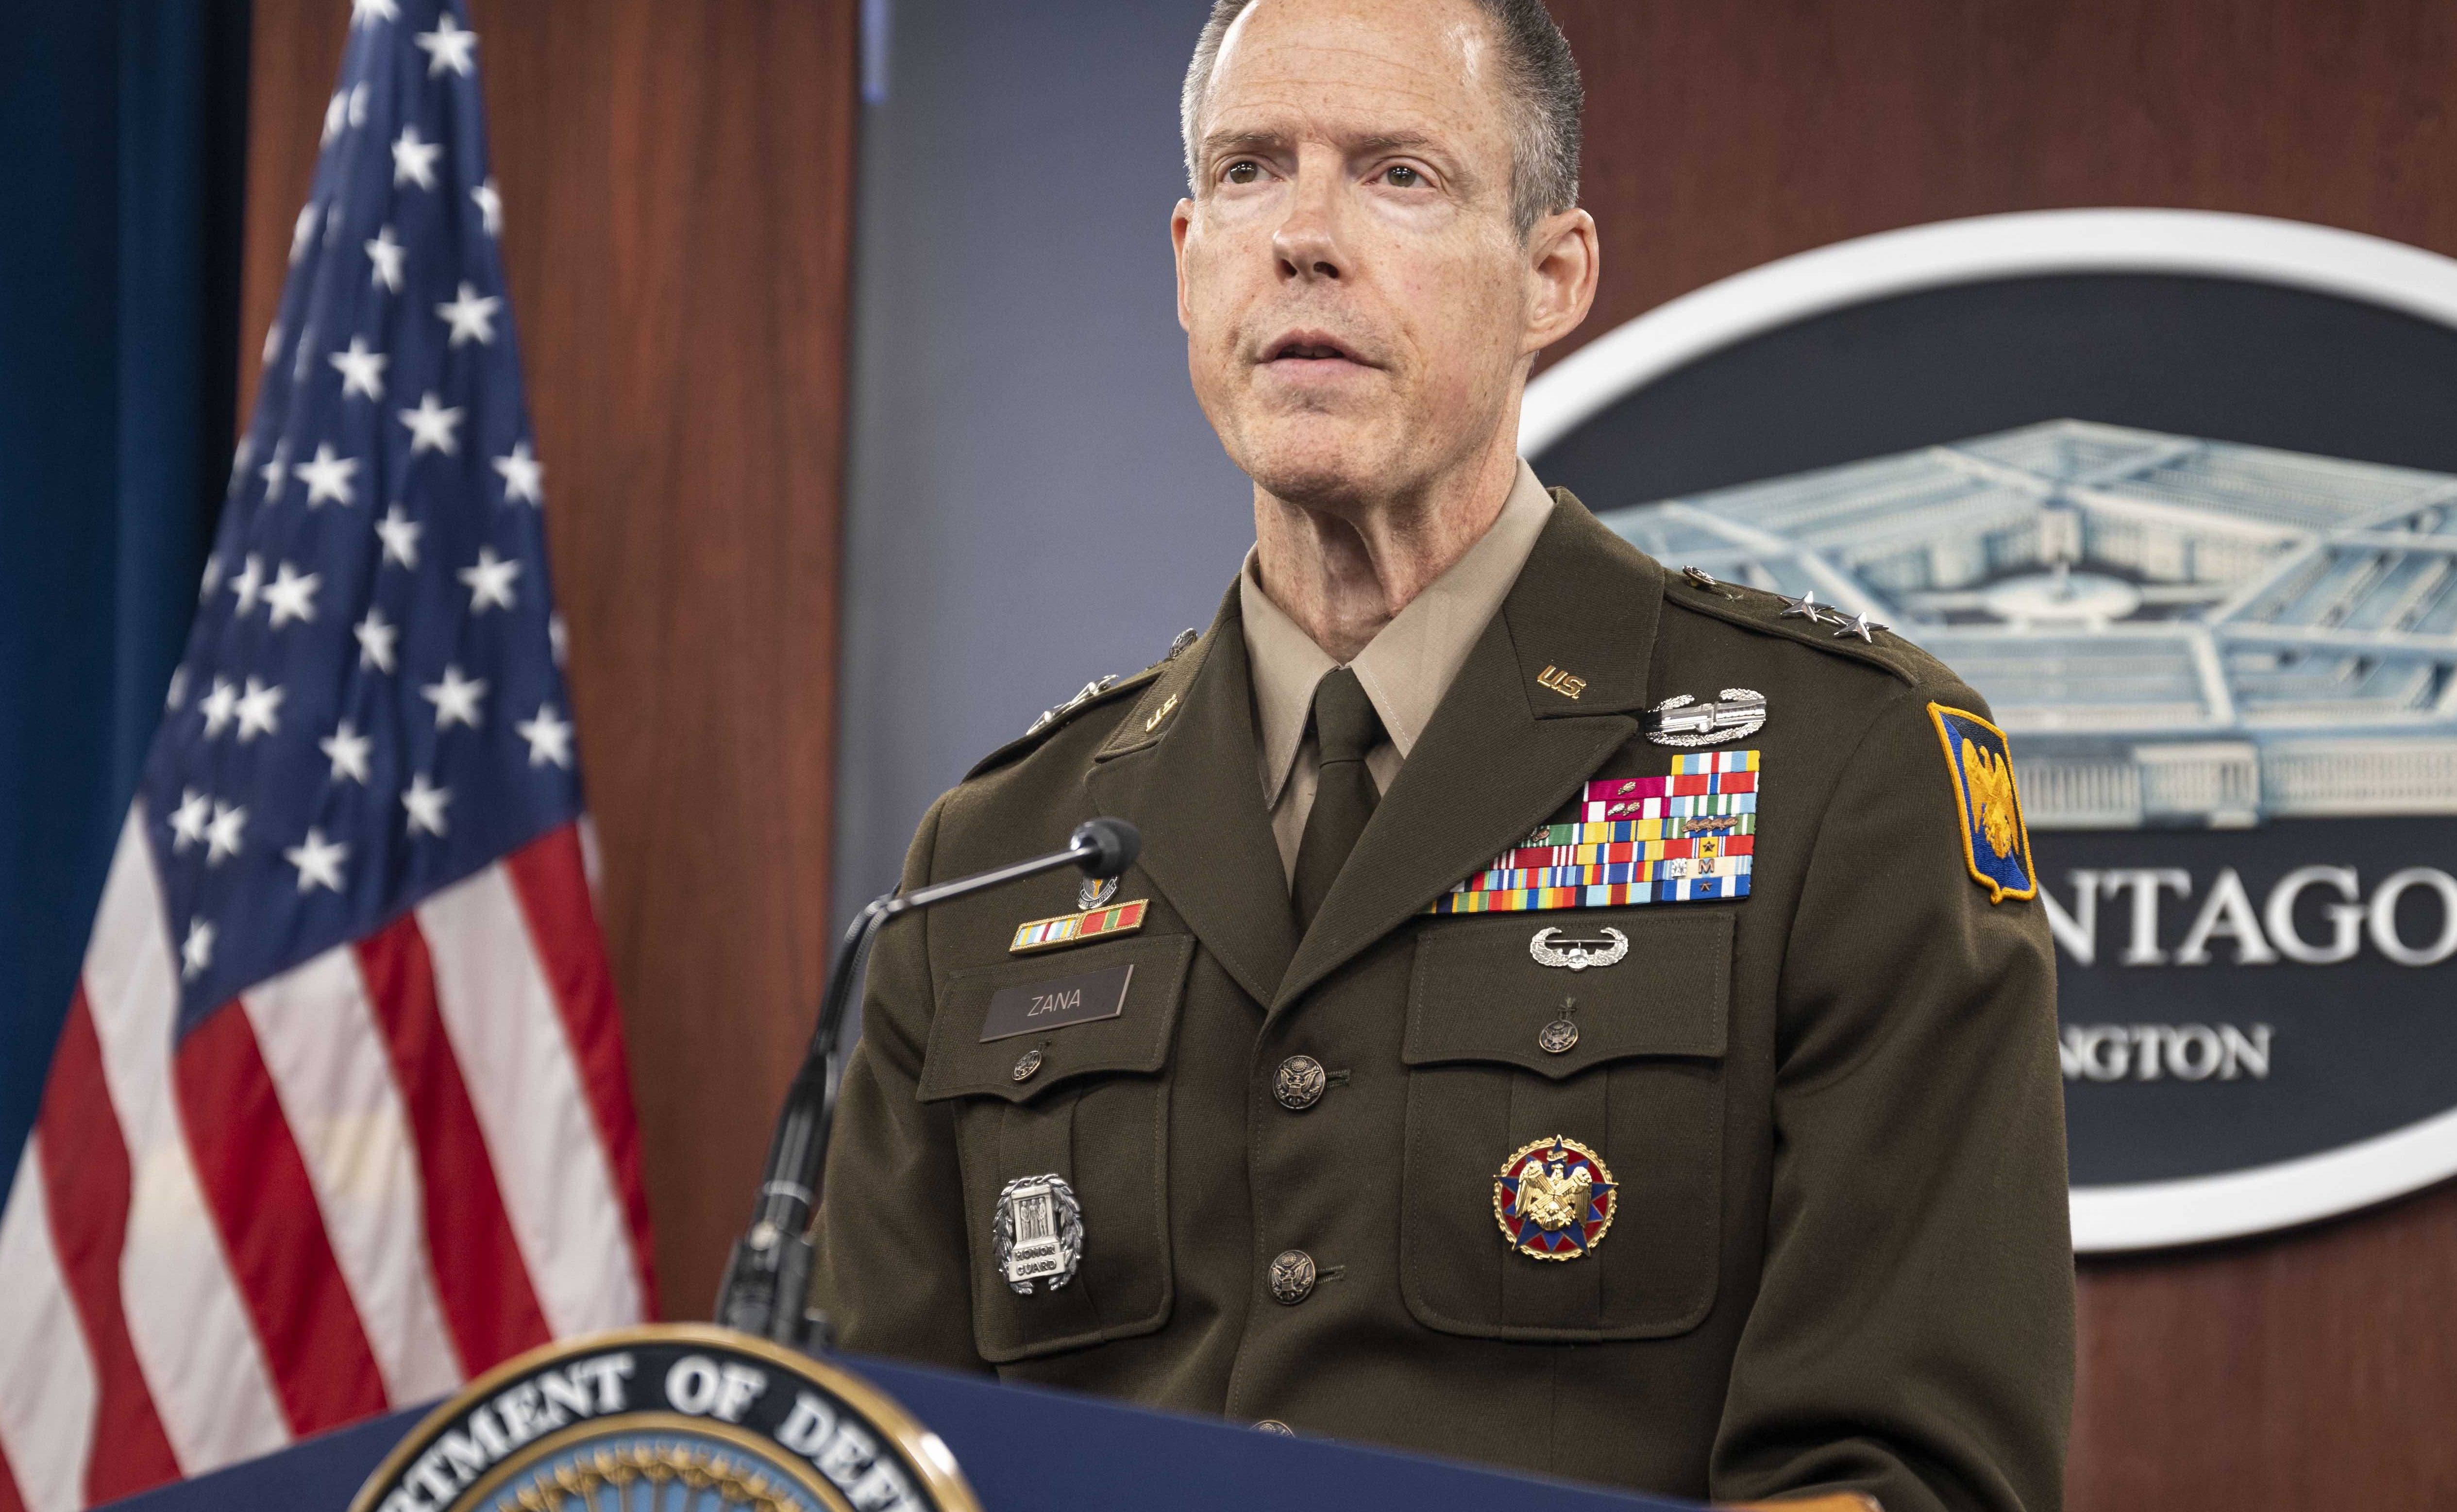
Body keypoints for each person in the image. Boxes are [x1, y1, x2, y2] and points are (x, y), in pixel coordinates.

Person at [814, 1, 2073, 1507]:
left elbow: (1915, 1473)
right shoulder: (992, 854)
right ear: (1184, 257)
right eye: (1248, 172)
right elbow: (856, 1459)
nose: (1302, 237)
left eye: (1397, 174)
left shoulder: (1839, 767)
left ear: (1552, 276)